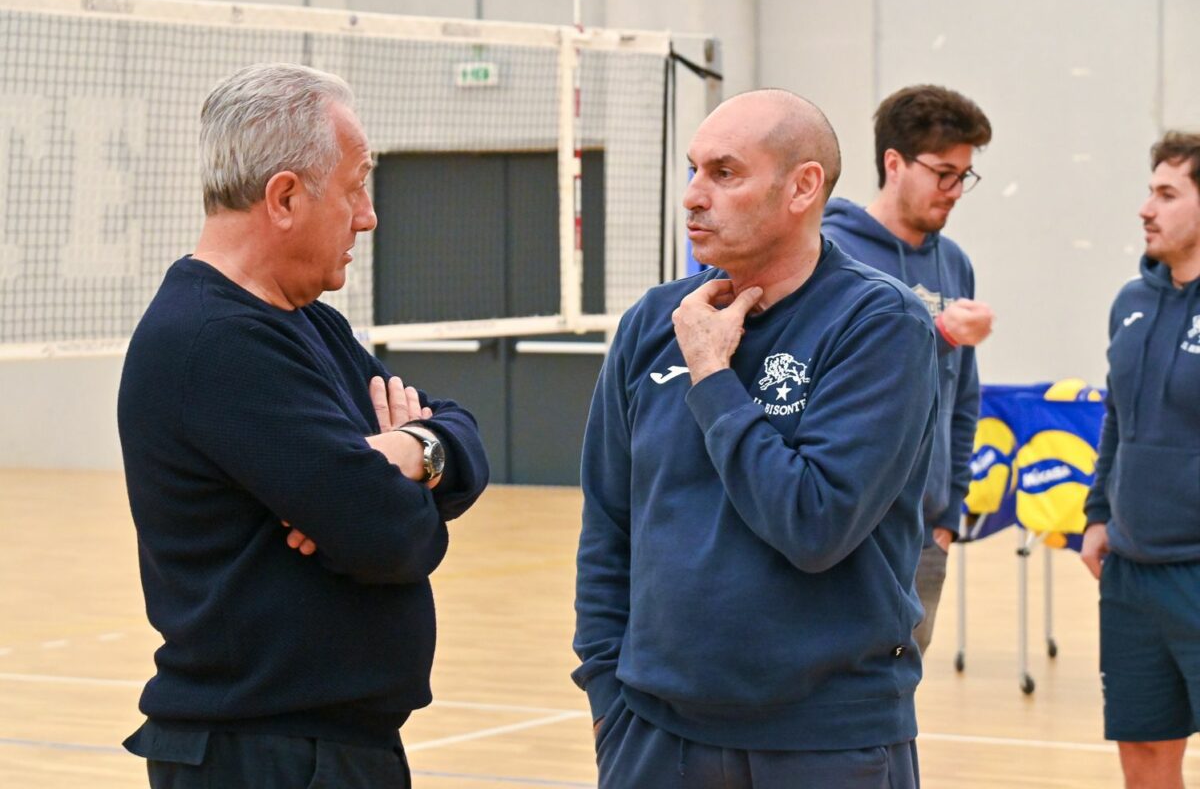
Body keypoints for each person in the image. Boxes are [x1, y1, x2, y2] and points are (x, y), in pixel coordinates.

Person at [117, 63, 489, 788]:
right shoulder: (213, 342)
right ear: (284, 197)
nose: (369, 214)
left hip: (320, 749)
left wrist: (411, 448)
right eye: (355, 188)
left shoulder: (308, 322)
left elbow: (462, 432)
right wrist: (386, 491)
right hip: (265, 755)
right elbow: (392, 536)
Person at [573, 89, 939, 788]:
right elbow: (608, 526)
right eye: (692, 170)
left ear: (803, 187)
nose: (693, 196)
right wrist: (606, 699)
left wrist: (712, 375)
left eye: (724, 172)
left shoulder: (879, 325)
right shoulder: (654, 322)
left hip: (825, 742)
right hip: (653, 735)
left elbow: (814, 524)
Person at [822, 84, 993, 654]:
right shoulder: (830, 255)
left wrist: (950, 511)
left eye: (964, 176)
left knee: (895, 712)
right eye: (944, 173)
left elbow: (962, 398)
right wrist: (939, 335)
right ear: (894, 163)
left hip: (922, 538)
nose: (955, 191)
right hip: (843, 533)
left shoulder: (955, 263)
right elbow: (830, 375)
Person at [1080, 131, 1200, 789]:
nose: (1145, 209)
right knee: (1144, 755)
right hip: (1131, 575)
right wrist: (1099, 516)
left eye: (1166, 193)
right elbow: (1117, 418)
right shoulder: (1131, 303)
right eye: (1149, 190)